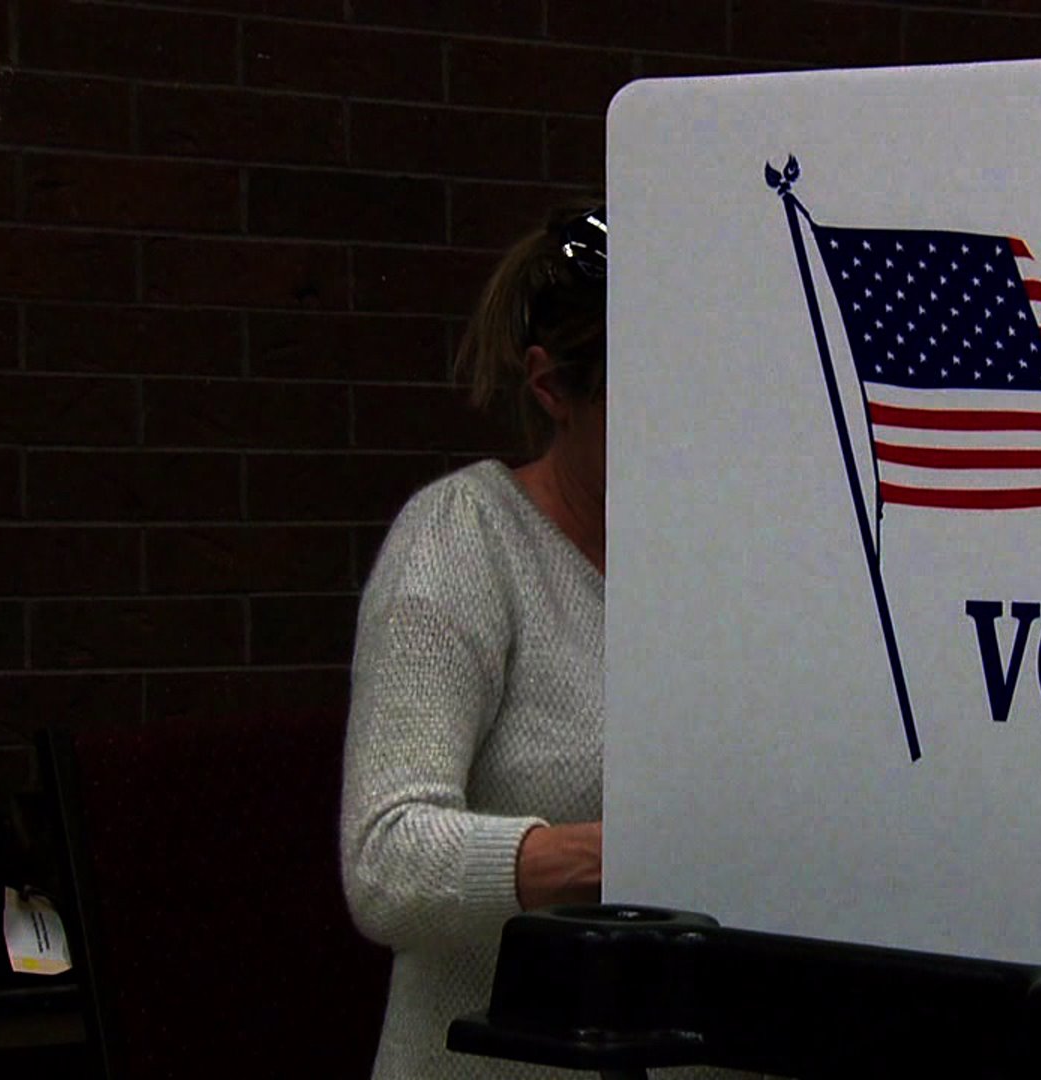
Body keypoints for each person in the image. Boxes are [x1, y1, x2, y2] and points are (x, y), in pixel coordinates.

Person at [340, 203, 616, 1079]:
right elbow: (386, 860)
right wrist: (623, 856)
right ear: (552, 388)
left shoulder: (733, 562)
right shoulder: (464, 540)